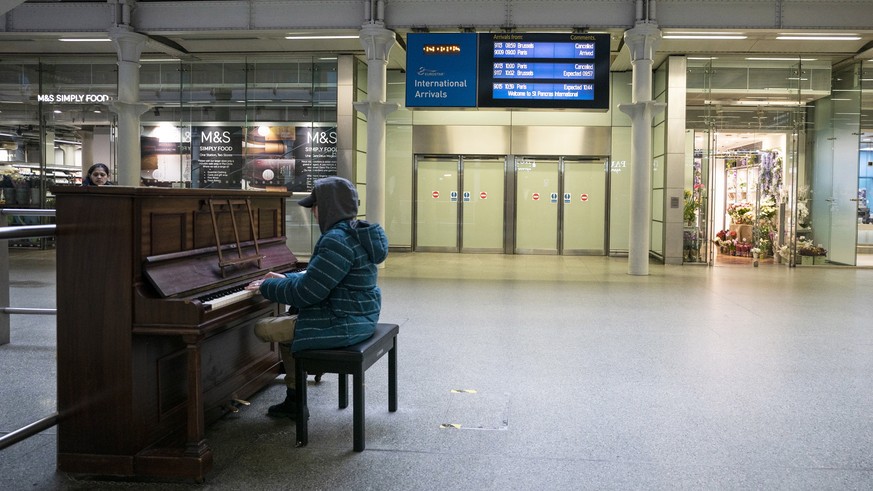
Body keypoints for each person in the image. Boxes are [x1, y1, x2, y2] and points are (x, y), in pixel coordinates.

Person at [246, 176, 388, 418]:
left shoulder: (336, 240)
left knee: (263, 328)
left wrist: (266, 286)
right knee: (289, 322)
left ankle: (295, 399)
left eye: (316, 206)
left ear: (329, 207)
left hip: (342, 321)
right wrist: (285, 280)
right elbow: (318, 281)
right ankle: (294, 396)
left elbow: (307, 293)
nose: (313, 211)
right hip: (358, 314)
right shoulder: (354, 234)